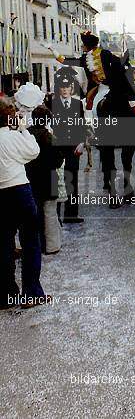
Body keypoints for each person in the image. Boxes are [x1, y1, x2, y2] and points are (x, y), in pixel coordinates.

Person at [0, 96, 51, 309]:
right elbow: (33, 151)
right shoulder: (13, 137)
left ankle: (6, 294)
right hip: (20, 189)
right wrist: (23, 129)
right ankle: (31, 293)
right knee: (30, 242)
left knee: (4, 244)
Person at [49, 30, 135, 120]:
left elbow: (65, 60)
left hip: (110, 86)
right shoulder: (90, 57)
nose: (82, 47)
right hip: (104, 86)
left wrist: (53, 50)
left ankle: (91, 126)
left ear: (87, 46)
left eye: (83, 45)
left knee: (89, 106)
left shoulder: (104, 54)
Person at [49, 67, 85, 224]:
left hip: (73, 148)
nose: (65, 90)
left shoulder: (77, 104)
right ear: (59, 89)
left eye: (67, 87)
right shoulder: (52, 104)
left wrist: (82, 143)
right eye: (62, 87)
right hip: (57, 149)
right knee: (55, 182)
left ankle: (71, 215)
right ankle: (55, 216)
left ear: (72, 88)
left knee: (72, 180)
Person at [26, 105, 64, 254]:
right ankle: (52, 245)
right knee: (50, 213)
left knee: (33, 214)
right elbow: (58, 160)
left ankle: (34, 245)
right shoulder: (50, 137)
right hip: (49, 178)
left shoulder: (26, 135)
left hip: (30, 178)